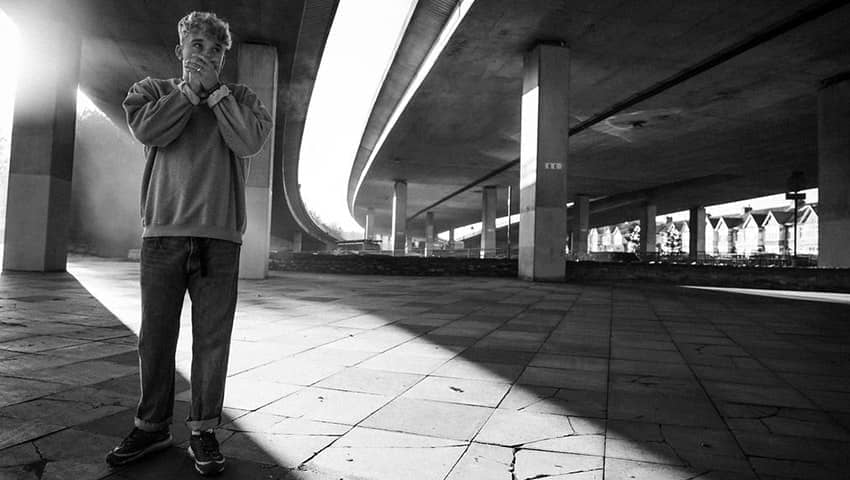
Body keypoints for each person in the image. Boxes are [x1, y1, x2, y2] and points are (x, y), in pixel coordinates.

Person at [105, 11, 272, 476]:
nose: (206, 56)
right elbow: (149, 130)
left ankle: (203, 430)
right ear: (180, 50)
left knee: (212, 342)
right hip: (163, 234)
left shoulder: (242, 99)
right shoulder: (150, 91)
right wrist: (187, 94)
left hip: (220, 239)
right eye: (197, 46)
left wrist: (215, 94)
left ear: (223, 59)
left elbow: (249, 142)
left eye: (215, 51)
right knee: (156, 338)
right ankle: (152, 426)